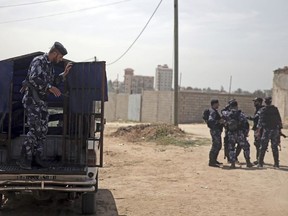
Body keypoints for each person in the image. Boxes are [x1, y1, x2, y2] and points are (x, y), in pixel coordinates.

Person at [17, 42, 72, 169]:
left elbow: (52, 81)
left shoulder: (50, 66)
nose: (61, 59)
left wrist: (64, 74)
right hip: (32, 101)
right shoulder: (39, 61)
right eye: (60, 57)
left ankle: (37, 159)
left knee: (42, 131)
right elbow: (33, 78)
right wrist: (49, 87)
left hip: (41, 102)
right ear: (55, 53)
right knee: (34, 130)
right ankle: (24, 159)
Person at [222, 101, 253, 169]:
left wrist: (226, 107)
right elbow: (246, 124)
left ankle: (232, 164)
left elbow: (223, 112)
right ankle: (248, 162)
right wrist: (245, 133)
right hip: (240, 133)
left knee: (231, 148)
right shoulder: (241, 114)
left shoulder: (227, 113)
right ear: (237, 106)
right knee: (246, 147)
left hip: (231, 133)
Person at [257, 97, 282, 168]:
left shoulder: (263, 110)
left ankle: (260, 163)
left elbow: (260, 122)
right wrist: (279, 131)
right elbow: (279, 121)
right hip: (275, 130)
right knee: (274, 147)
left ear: (265, 102)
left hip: (267, 130)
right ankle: (276, 164)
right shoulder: (275, 109)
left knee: (263, 147)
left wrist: (258, 132)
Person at [207, 99, 224, 168]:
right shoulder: (213, 112)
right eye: (217, 104)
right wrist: (219, 122)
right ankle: (211, 161)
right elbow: (211, 120)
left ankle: (214, 160)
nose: (218, 105)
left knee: (218, 145)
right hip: (215, 130)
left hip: (217, 130)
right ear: (214, 104)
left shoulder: (214, 111)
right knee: (216, 145)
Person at [247, 97, 264, 164]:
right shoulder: (258, 109)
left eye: (255, 102)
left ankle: (259, 159)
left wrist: (249, 118)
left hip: (259, 129)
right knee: (258, 144)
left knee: (258, 144)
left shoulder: (261, 109)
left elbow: (256, 118)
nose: (254, 103)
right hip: (258, 128)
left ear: (259, 102)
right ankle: (259, 159)